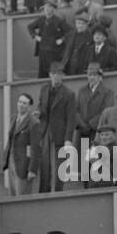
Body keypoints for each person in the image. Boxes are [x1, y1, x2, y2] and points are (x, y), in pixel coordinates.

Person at [37, 62, 77, 193]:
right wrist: (38, 113)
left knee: (59, 166)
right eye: (54, 73)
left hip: (60, 134)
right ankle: (44, 193)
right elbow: (40, 107)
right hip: (45, 131)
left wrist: (68, 139)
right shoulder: (44, 89)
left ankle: (58, 193)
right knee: (44, 165)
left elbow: (71, 119)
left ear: (63, 76)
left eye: (59, 74)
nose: (56, 76)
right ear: (49, 75)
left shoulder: (69, 94)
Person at [3, 92, 40, 196]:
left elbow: (35, 148)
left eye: (24, 103)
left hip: (23, 166)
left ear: (29, 107)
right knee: (12, 195)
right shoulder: (14, 119)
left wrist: (32, 170)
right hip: (12, 162)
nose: (21, 105)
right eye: (20, 102)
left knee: (22, 197)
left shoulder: (34, 123)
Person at [73, 63, 114, 145]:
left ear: (99, 77)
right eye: (89, 75)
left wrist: (90, 125)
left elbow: (106, 112)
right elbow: (75, 109)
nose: (91, 77)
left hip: (97, 133)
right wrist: (82, 125)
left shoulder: (107, 92)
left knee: (95, 156)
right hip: (82, 133)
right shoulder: (81, 91)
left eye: (94, 75)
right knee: (82, 156)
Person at [27, 0, 68, 79]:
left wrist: (62, 39)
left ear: (53, 9)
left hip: (54, 52)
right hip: (42, 51)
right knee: (42, 73)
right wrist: (35, 36)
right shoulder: (41, 19)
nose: (46, 9)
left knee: (53, 72)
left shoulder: (58, 21)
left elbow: (70, 32)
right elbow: (30, 27)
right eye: (45, 8)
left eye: (49, 7)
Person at [61, 10, 94, 76]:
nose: (80, 26)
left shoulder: (91, 37)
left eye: (83, 24)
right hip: (69, 67)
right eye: (78, 23)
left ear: (87, 24)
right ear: (75, 24)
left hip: (83, 67)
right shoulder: (69, 36)